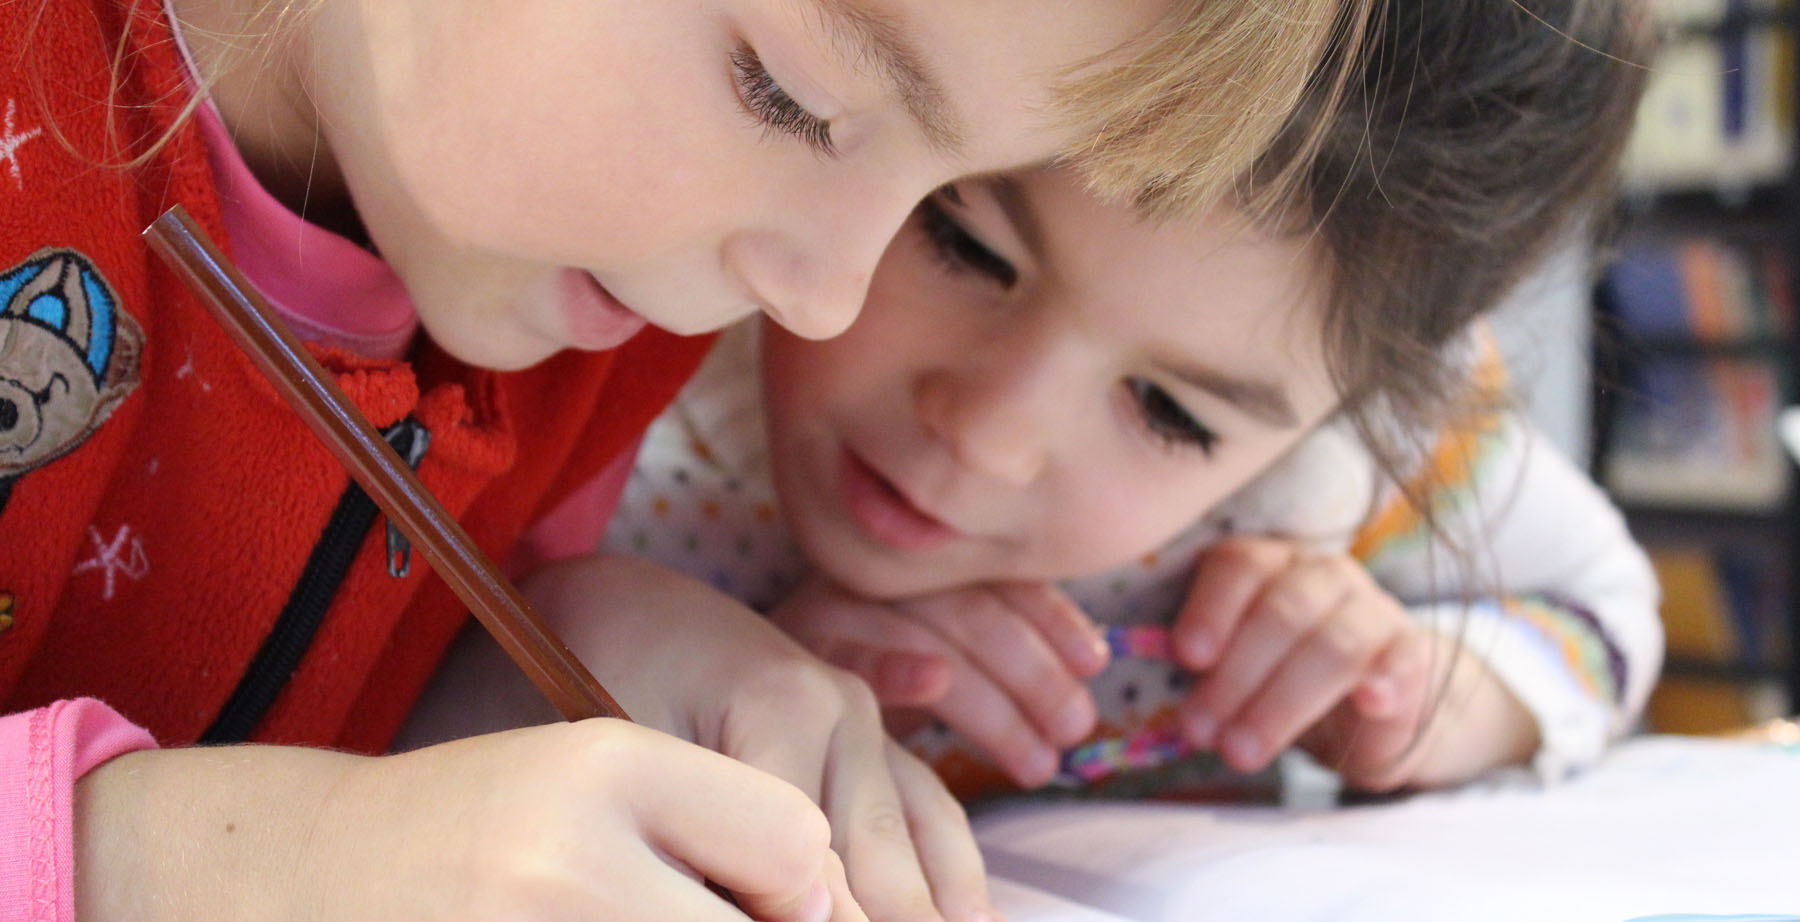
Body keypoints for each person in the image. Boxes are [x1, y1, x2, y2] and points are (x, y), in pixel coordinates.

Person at [0, 0, 1373, 920]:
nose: (824, 298)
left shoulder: (589, 303)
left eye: (929, 195)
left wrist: (574, 650)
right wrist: (218, 867)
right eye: (789, 94)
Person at [443, 0, 1660, 801]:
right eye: (962, 245)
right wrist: (647, 668)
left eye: (1173, 414)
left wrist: (1437, 695)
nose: (986, 434)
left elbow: (1605, 609)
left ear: (1352, 413)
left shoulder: (1359, 474)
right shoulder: (633, 324)